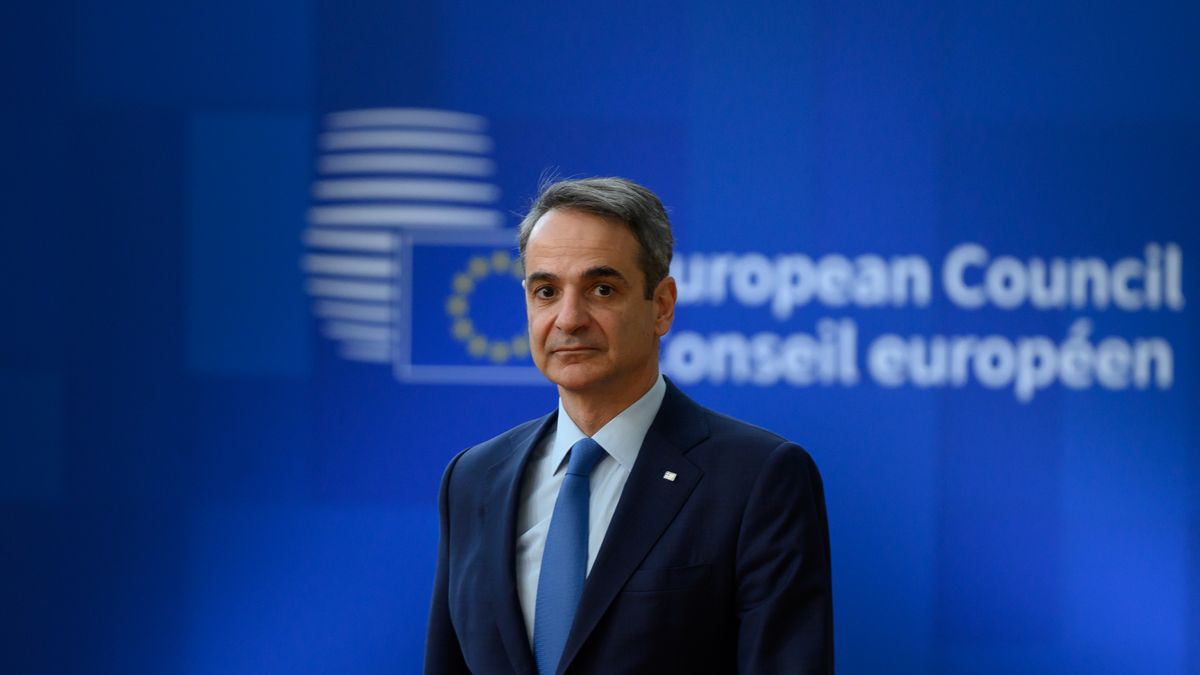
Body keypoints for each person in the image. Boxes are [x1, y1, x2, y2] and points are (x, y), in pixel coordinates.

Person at [424, 177, 833, 674]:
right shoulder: (472, 479)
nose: (568, 319)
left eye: (601, 289)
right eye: (546, 291)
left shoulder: (758, 478)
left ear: (661, 306)